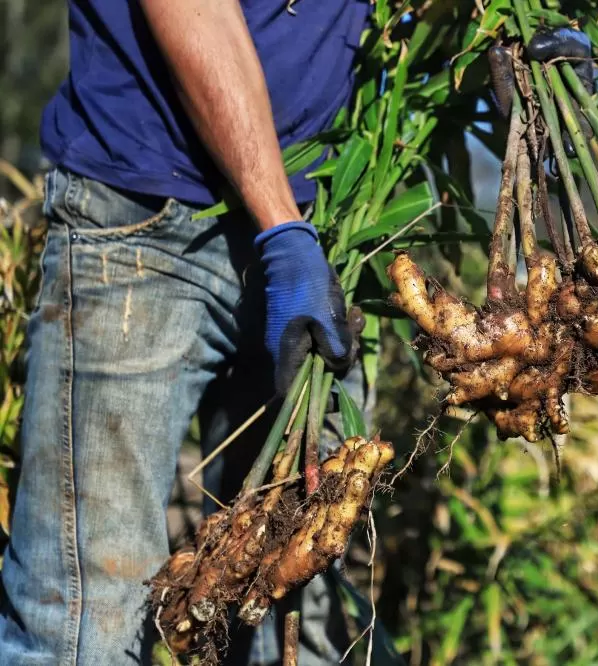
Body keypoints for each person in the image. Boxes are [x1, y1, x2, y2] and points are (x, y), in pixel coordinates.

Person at [0, 0, 376, 664]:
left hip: (326, 227)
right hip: (145, 222)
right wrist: (281, 228)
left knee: (302, 613)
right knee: (86, 628)